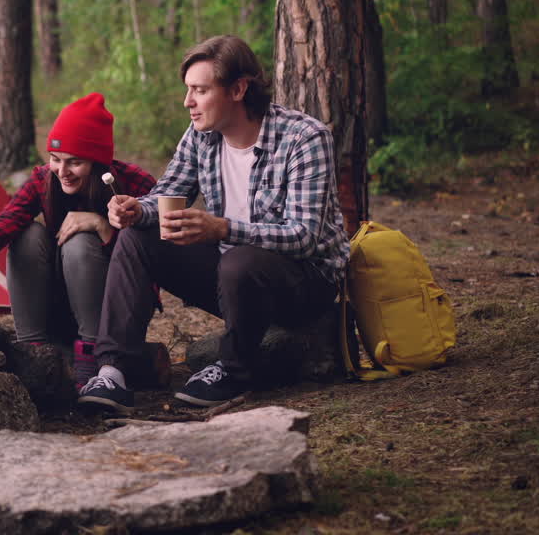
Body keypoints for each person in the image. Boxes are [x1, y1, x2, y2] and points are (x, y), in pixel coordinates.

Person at [78, 35, 350, 412]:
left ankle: (234, 371)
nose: (187, 101)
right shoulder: (201, 135)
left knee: (241, 259)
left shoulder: (305, 138)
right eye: (188, 90)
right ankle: (113, 372)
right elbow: (169, 192)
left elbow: (304, 237)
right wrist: (137, 210)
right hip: (232, 277)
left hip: (302, 284)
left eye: (199, 90)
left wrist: (222, 228)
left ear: (238, 89)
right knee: (138, 238)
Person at [0, 93, 156, 388]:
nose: (62, 172)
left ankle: (95, 358)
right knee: (25, 233)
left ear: (99, 162)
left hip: (116, 316)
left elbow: (154, 258)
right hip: (62, 308)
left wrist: (103, 227)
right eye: (56, 159)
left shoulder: (136, 183)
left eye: (75, 163)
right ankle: (33, 352)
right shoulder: (44, 180)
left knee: (80, 240)